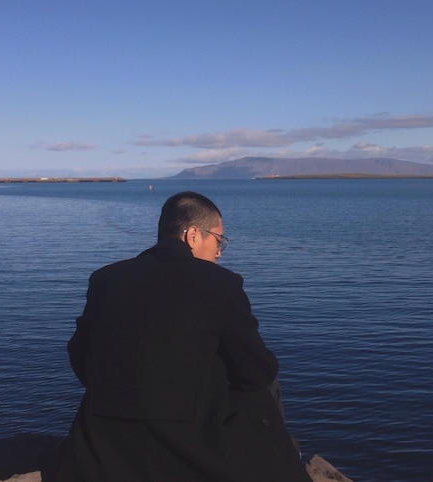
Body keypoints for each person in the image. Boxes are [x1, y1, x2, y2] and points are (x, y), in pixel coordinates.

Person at [55, 191, 312, 482]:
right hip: (190, 450)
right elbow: (254, 371)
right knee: (266, 379)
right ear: (192, 235)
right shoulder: (220, 284)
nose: (219, 251)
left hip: (103, 447)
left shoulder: (105, 279)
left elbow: (79, 353)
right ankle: (281, 459)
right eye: (219, 240)